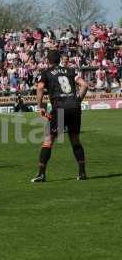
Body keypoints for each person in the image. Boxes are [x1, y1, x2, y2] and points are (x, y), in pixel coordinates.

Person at [31, 50, 88, 183]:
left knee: (48, 140)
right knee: (75, 139)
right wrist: (77, 101)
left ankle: (41, 174)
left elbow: (39, 89)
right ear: (59, 60)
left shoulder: (45, 73)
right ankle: (82, 173)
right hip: (74, 108)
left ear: (48, 61)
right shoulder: (70, 70)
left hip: (60, 108)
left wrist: (40, 107)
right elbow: (85, 85)